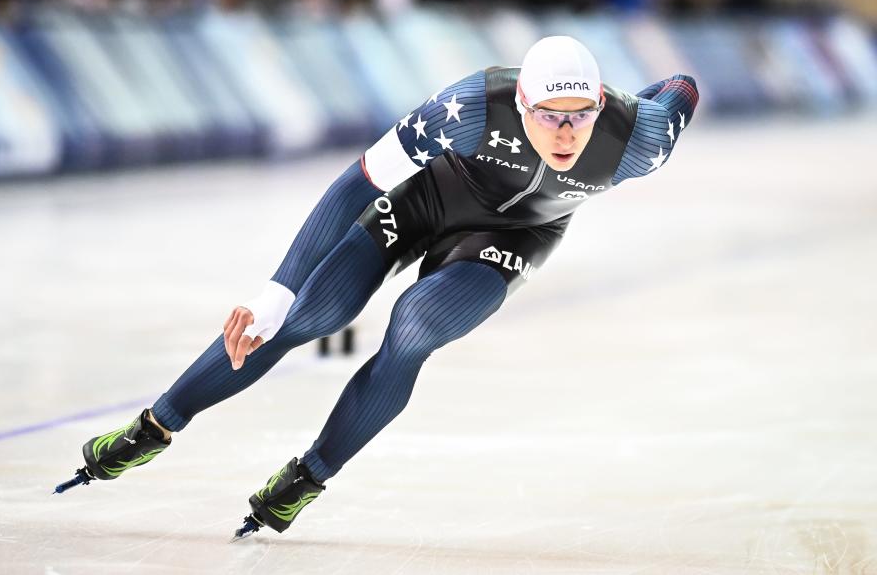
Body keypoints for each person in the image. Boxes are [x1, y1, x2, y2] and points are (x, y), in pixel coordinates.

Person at [59, 36, 700, 538]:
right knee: (309, 315)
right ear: (522, 105)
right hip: (428, 200)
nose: (567, 133)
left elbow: (680, 88)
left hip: (521, 235)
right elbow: (355, 184)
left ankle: (311, 474)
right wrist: (275, 294)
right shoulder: (470, 107)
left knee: (414, 327)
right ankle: (153, 428)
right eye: (550, 117)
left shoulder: (637, 138)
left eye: (581, 116)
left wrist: (626, 106)